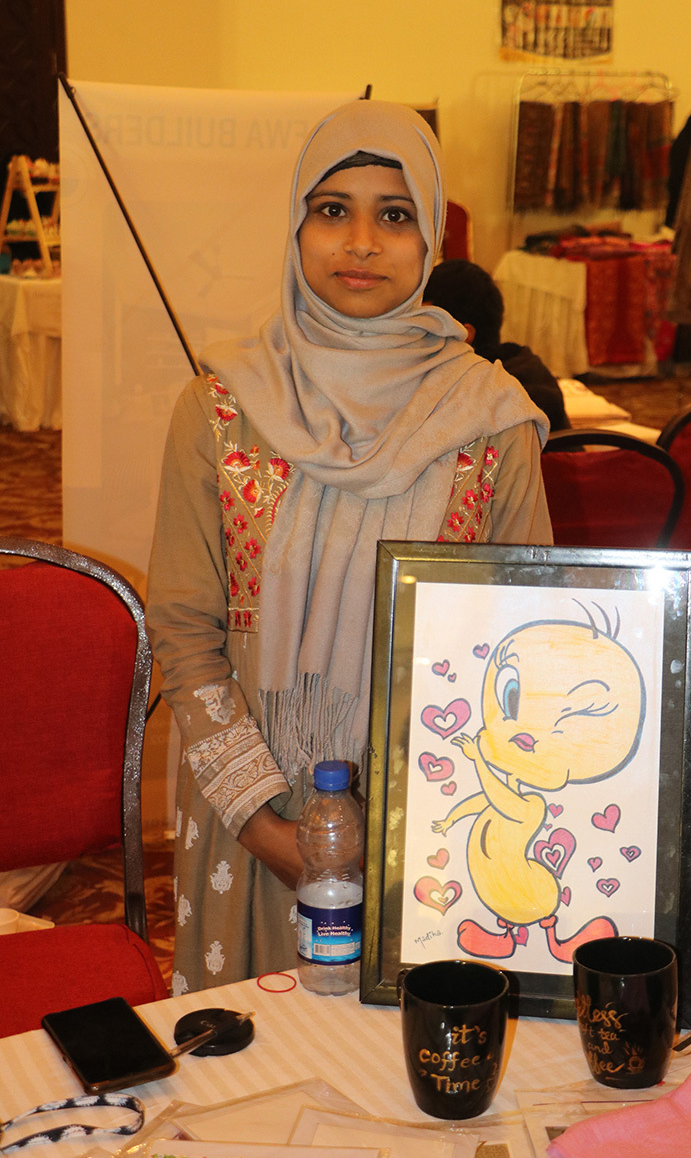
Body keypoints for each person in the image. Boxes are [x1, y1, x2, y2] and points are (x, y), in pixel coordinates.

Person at [145, 99, 553, 994]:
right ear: (295, 228)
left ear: (430, 237)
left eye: (394, 215)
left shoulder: (493, 421)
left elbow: (523, 651)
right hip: (248, 814)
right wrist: (263, 825)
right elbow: (182, 627)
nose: (361, 242)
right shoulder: (217, 408)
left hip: (438, 824)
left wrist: (409, 826)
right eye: (332, 210)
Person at [424, 258, 570, 432]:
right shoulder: (522, 364)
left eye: (425, 326)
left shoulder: (496, 396)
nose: (413, 336)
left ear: (464, 334)